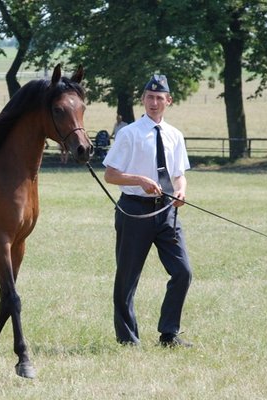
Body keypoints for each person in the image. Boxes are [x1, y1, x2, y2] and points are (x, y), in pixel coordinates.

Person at [102, 74, 193, 348]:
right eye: (149, 97)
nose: (154, 102)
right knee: (127, 277)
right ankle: (128, 339)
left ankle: (169, 334)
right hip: (134, 211)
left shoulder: (175, 135)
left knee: (183, 272)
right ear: (143, 100)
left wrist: (181, 191)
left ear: (169, 100)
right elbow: (110, 175)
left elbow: (179, 174)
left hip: (166, 212)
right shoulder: (129, 134)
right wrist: (139, 180)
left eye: (159, 98)